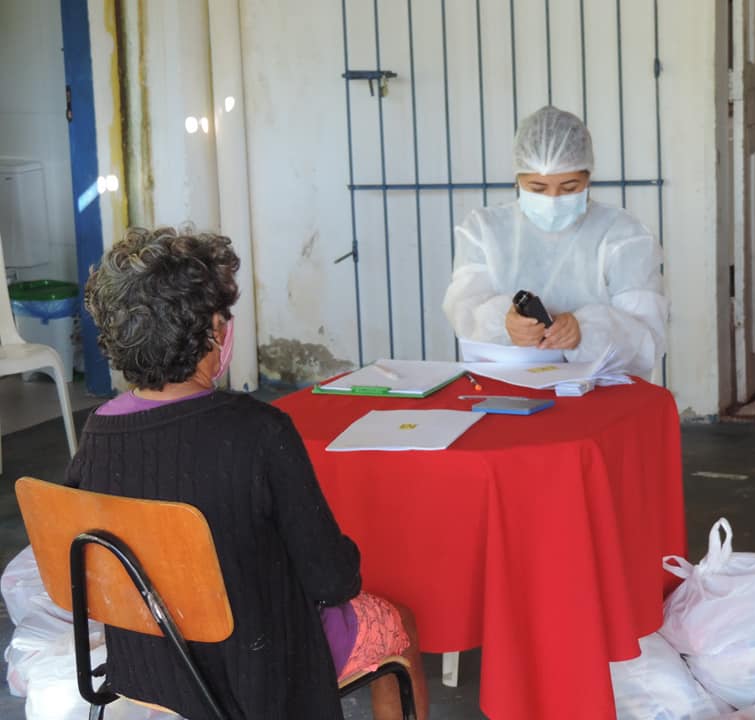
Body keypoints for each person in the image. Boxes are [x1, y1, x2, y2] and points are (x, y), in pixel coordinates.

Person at [66, 227, 428, 720]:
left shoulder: (95, 435)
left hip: (144, 662)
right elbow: (333, 580)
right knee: (396, 621)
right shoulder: (261, 431)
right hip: (259, 673)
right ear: (213, 332)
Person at [442, 105, 667, 378]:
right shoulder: (484, 231)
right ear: (517, 181)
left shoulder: (623, 236)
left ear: (589, 179)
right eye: (537, 188)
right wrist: (505, 324)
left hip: (601, 392)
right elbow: (465, 313)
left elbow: (646, 337)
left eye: (570, 187)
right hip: (509, 388)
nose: (552, 199)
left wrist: (585, 332)